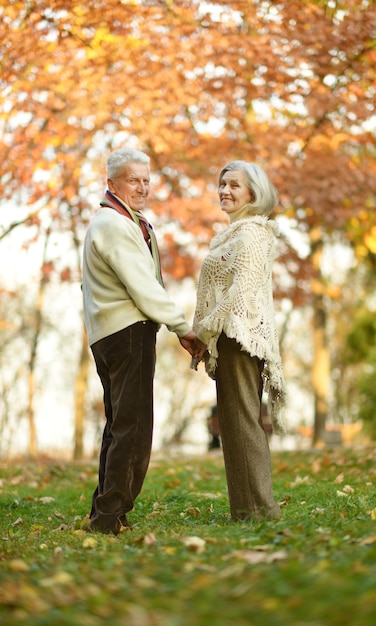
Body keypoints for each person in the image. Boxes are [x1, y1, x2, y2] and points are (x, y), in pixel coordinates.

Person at [82, 147, 196, 535]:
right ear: (111, 183)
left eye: (146, 180)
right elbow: (143, 286)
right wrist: (182, 327)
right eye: (134, 179)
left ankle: (106, 513)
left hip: (112, 333)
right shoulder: (114, 224)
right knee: (133, 428)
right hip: (127, 331)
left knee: (119, 426)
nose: (143, 187)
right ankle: (109, 518)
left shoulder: (122, 222)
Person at [192, 160, 287, 521]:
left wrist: (203, 333)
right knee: (234, 424)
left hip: (239, 337)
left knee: (242, 422)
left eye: (234, 185)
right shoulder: (233, 234)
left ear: (253, 193)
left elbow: (239, 292)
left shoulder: (251, 234)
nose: (224, 191)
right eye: (222, 184)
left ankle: (260, 510)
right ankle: (247, 509)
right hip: (230, 336)